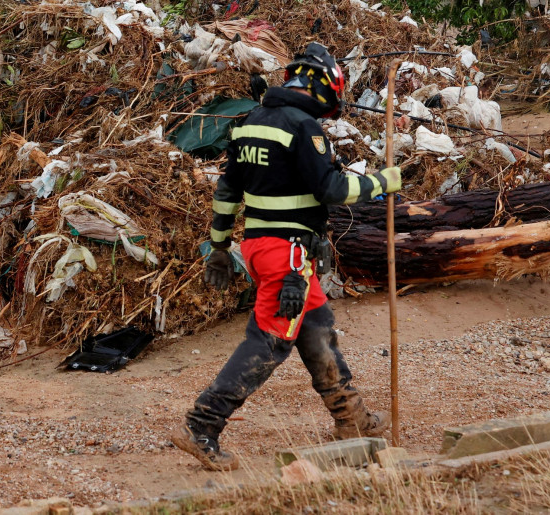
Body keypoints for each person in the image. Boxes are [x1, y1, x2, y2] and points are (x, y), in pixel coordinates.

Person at [171, 43, 402, 470]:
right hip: (288, 255)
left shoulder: (250, 124)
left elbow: (227, 194)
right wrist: (382, 181)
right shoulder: (304, 127)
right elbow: (331, 190)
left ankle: (352, 419)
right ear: (324, 87)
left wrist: (219, 248)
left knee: (317, 328)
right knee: (270, 341)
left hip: (260, 247)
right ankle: (201, 424)